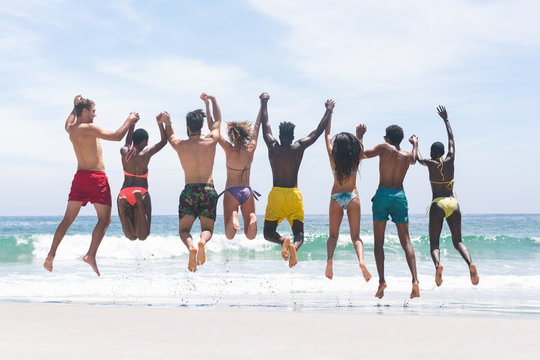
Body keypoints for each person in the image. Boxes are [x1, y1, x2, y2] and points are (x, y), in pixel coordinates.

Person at [44, 95, 139, 276]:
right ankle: (90, 255)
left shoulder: (72, 129)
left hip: (80, 177)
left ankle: (51, 255)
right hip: (96, 178)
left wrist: (73, 107)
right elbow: (118, 136)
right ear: (85, 112)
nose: (95, 115)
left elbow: (67, 122)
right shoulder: (89, 128)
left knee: (67, 219)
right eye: (93, 111)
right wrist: (129, 120)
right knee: (104, 220)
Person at [261, 93, 334, 268]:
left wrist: (264, 102)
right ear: (293, 135)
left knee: (268, 232)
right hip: (293, 194)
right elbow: (317, 132)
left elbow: (265, 125)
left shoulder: (273, 147)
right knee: (299, 234)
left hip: (277, 194)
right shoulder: (298, 147)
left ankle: (282, 241)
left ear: (279, 134)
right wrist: (329, 110)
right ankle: (294, 246)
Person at [417, 105, 479, 286]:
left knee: (434, 244)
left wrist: (415, 144)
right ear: (443, 152)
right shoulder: (451, 159)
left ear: (433, 153)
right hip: (453, 202)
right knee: (458, 241)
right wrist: (446, 120)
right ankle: (470, 264)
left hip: (437, 203)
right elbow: (451, 139)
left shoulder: (430, 162)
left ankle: (438, 266)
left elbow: (419, 159)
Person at [357, 124, 420, 299]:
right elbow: (415, 159)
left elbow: (361, 154)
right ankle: (415, 281)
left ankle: (382, 281)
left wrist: (360, 136)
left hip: (383, 195)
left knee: (379, 243)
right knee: (406, 241)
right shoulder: (407, 155)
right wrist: (415, 144)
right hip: (400, 196)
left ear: (389, 138)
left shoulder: (384, 147)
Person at [160, 93, 221, 272]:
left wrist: (168, 122)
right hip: (208, 190)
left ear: (187, 127)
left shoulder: (181, 145)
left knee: (184, 230)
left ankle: (191, 247)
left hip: (189, 191)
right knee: (207, 228)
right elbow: (217, 121)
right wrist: (212, 100)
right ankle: (202, 241)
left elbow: (169, 134)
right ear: (202, 126)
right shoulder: (211, 140)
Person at [323, 115, 371, 282]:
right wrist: (360, 135)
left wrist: (329, 112)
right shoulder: (356, 156)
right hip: (353, 196)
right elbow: (359, 146)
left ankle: (330, 260)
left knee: (333, 236)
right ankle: (362, 261)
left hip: (336, 196)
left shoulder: (332, 156)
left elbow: (327, 133)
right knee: (356, 237)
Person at [217, 95, 263, 240]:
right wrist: (263, 104)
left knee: (229, 234)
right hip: (247, 191)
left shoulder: (229, 149)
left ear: (232, 136)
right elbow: (257, 127)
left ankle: (233, 217)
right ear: (245, 133)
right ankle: (252, 217)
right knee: (250, 236)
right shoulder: (251, 148)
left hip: (231, 191)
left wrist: (211, 102)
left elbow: (215, 130)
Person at [117, 115, 167, 240]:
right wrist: (160, 124)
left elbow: (127, 143)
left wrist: (132, 124)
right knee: (143, 235)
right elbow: (164, 141)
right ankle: (139, 203)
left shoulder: (124, 151)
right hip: (141, 191)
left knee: (131, 236)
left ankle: (124, 210)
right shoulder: (146, 153)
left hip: (125, 191)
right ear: (144, 142)